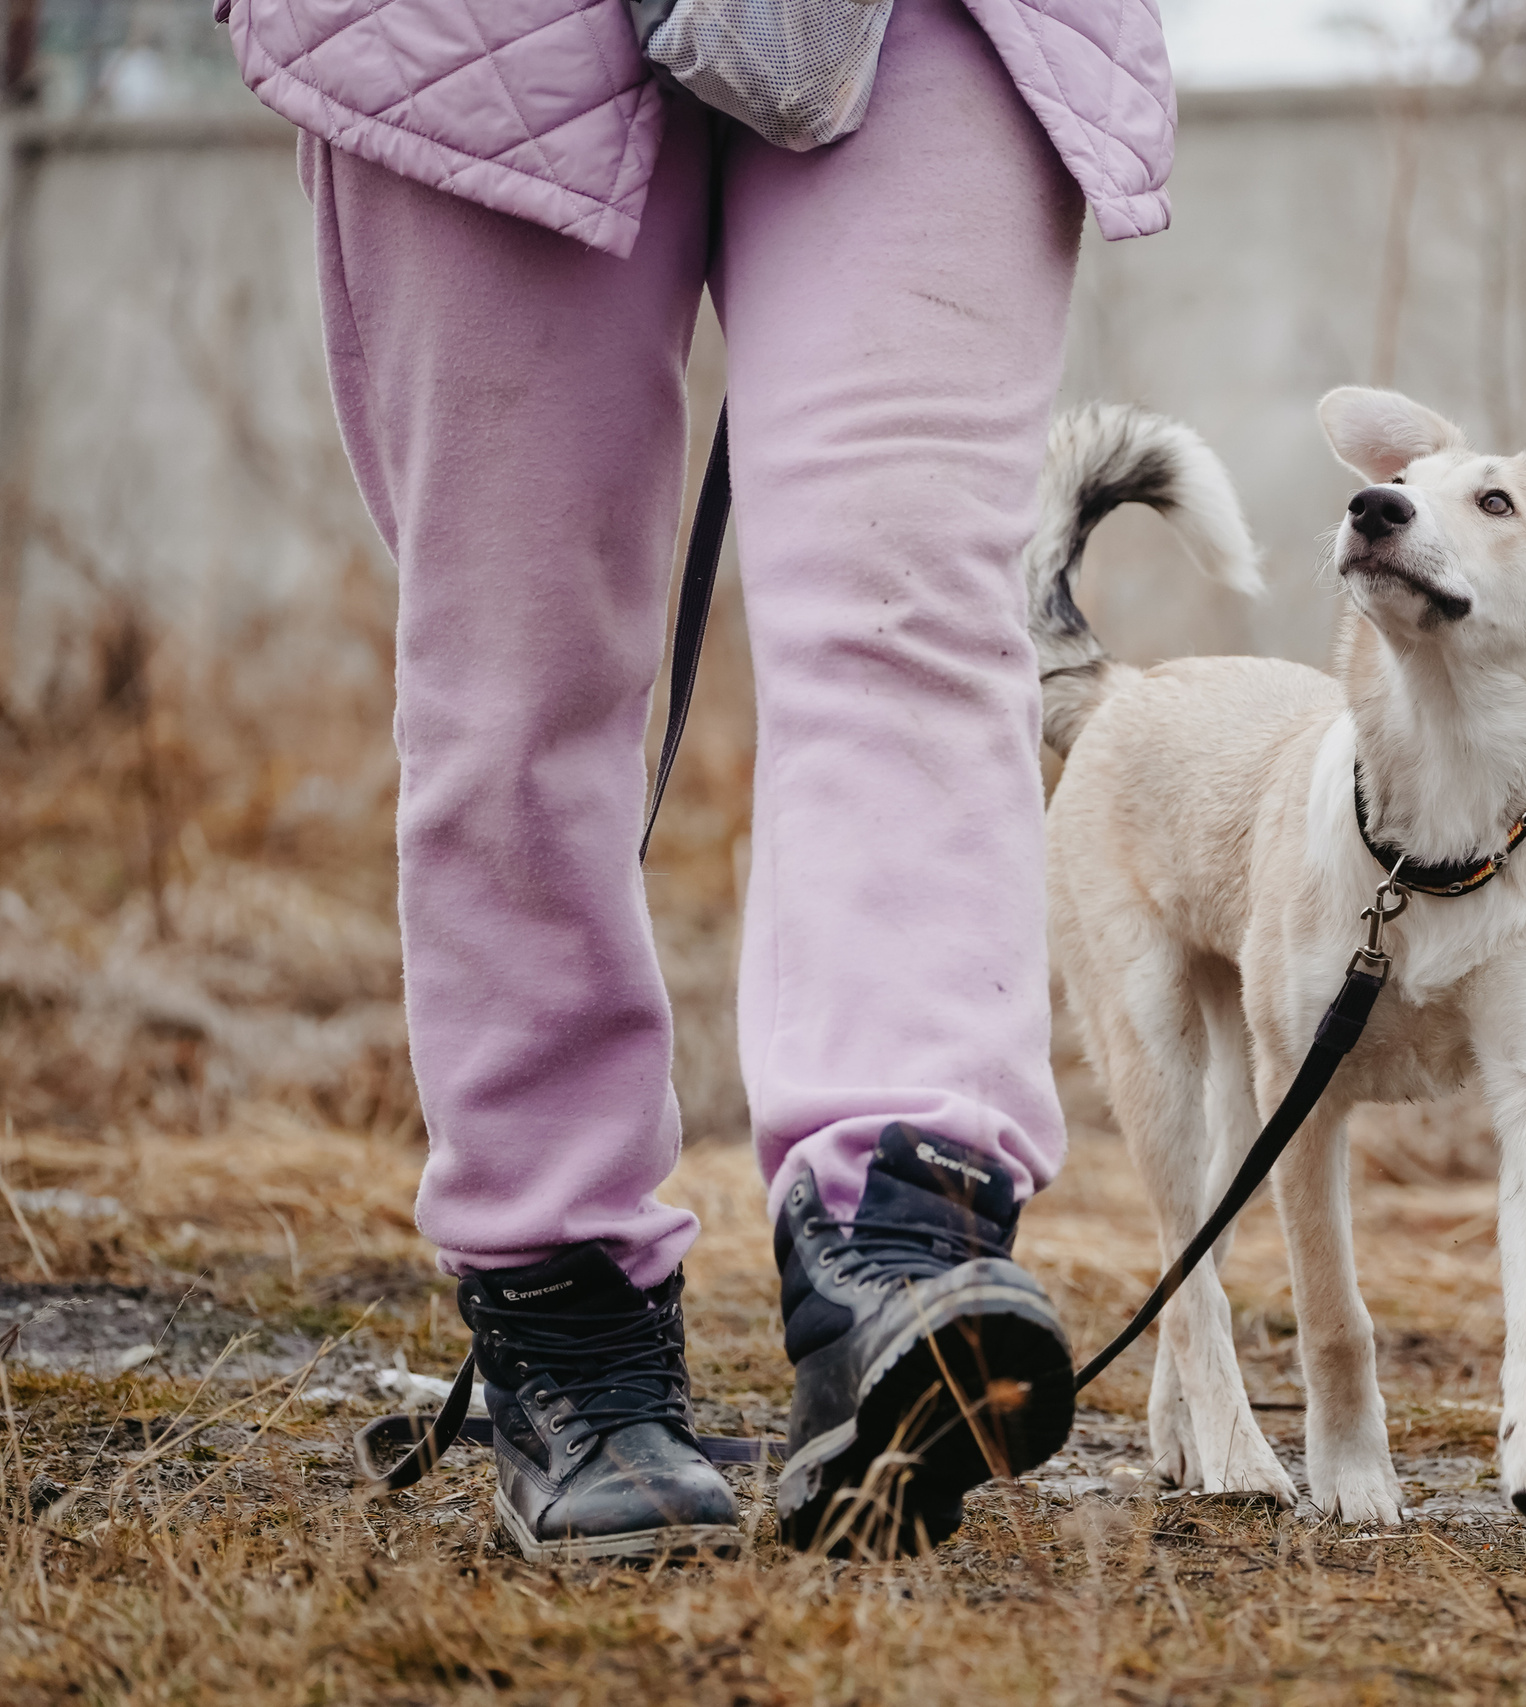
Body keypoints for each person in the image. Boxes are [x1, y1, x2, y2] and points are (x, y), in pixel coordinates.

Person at [220, 0, 1173, 1560]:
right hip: (482, 35)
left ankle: (900, 1229)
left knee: (912, 600)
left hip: (933, 23)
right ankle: (565, 1301)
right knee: (517, 666)